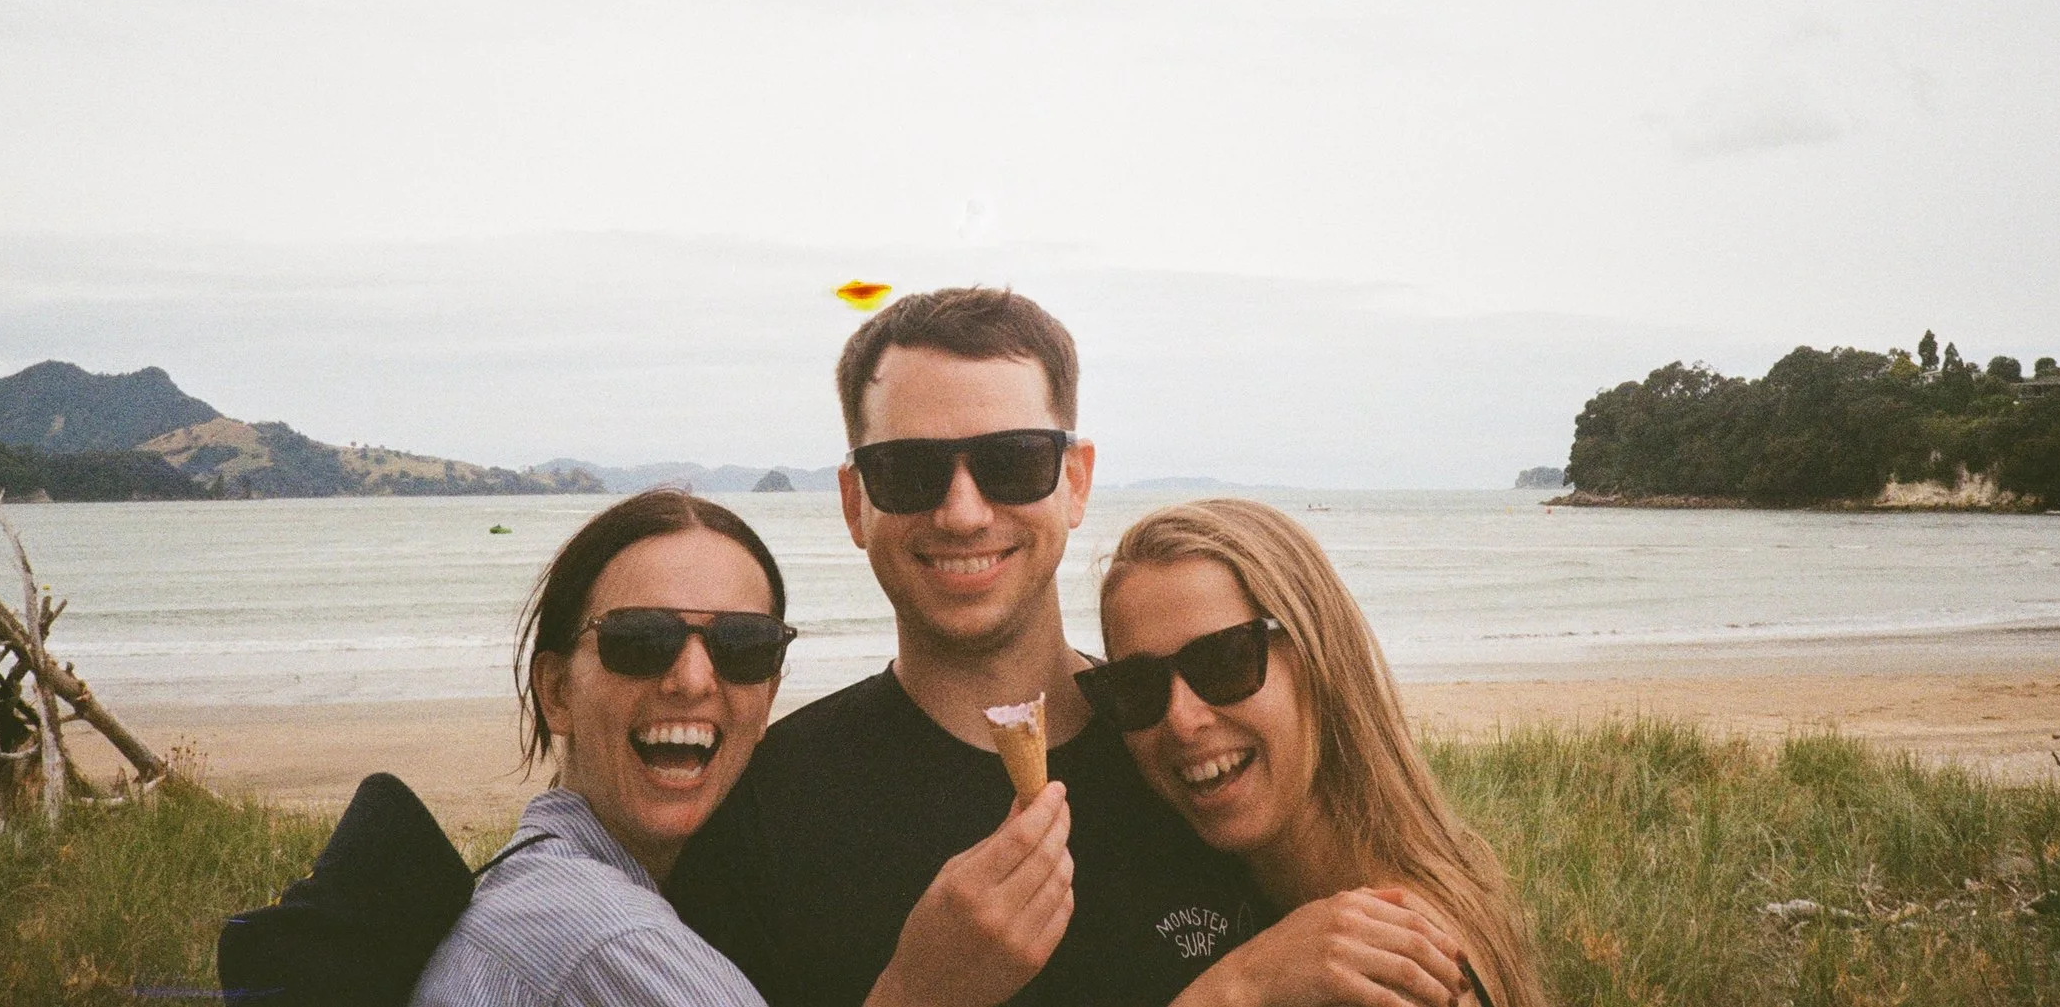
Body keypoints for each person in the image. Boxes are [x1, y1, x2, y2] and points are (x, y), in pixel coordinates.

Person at [666, 288, 1256, 1007]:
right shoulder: (761, 817)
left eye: (1012, 460)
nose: (963, 511)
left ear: (1075, 480)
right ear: (855, 502)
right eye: (909, 471)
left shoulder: (1191, 754)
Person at [1089, 499, 1548, 1007]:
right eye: (1136, 686)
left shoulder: (1390, 967)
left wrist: (1240, 987)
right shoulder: (1283, 897)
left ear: (1319, 657)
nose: (1181, 719)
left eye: (1223, 661)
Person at [412, 490, 803, 1006]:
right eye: (640, 640)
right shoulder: (610, 940)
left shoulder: (529, 884)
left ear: (769, 697)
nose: (693, 680)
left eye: (746, 646)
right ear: (556, 692)